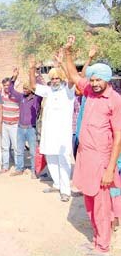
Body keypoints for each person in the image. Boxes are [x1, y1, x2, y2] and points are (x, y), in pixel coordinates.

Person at [65, 35, 121, 254]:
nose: (95, 83)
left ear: (107, 80)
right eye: (93, 79)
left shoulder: (115, 100)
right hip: (84, 156)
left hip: (101, 160)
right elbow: (72, 74)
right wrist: (68, 51)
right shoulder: (88, 90)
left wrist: (109, 169)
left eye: (99, 80)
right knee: (89, 202)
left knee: (101, 205)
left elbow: (119, 137)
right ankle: (96, 237)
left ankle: (103, 246)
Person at [29, 56, 75, 202]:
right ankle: (57, 184)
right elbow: (33, 86)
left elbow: (72, 79)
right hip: (49, 133)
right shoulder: (48, 90)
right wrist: (31, 68)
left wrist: (62, 64)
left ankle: (66, 191)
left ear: (61, 79)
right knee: (51, 157)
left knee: (64, 161)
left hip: (62, 134)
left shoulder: (68, 91)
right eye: (52, 78)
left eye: (57, 78)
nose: (54, 81)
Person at [8, 79, 42, 178]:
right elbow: (11, 90)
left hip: (31, 129)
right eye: (24, 88)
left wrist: (37, 76)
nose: (24, 90)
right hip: (20, 128)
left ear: (31, 89)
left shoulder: (36, 98)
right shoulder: (21, 97)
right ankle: (19, 169)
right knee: (19, 150)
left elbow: (41, 89)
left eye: (26, 88)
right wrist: (13, 78)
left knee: (32, 152)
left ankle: (33, 171)